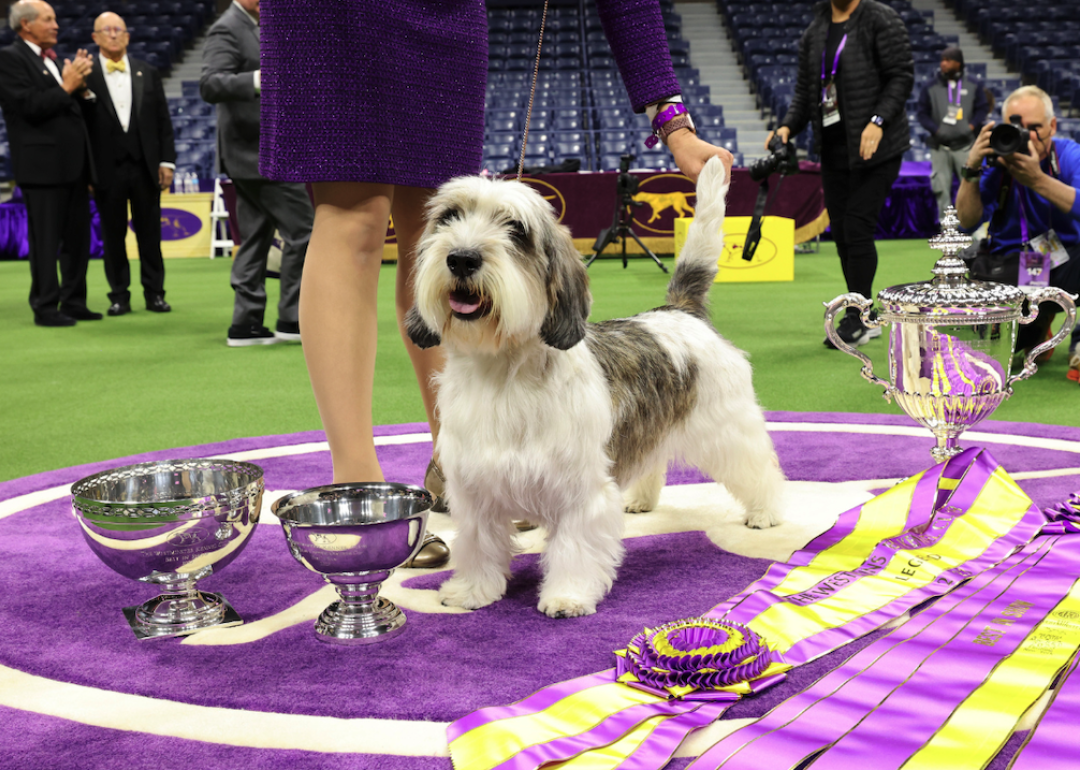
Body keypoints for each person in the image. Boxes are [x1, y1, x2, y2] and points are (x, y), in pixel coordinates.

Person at [257, 0, 733, 568]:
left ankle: (459, 461)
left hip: (442, 18)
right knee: (355, 217)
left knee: (436, 222)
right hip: (333, 17)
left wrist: (671, 120)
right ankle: (357, 485)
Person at [767, 0, 914, 349]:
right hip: (834, 150)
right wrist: (787, 126)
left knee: (857, 227)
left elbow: (901, 76)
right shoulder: (815, 29)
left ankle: (858, 317)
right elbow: (806, 91)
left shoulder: (880, 18)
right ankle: (864, 313)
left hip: (877, 148)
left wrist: (878, 121)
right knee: (844, 236)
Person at [200, 0, 312, 347]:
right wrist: (258, 79)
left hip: (257, 152)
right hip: (256, 153)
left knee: (256, 236)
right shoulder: (228, 26)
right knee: (304, 230)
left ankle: (246, 322)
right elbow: (210, 84)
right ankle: (292, 318)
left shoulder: (257, 24)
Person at [955, 85, 1080, 373]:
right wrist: (971, 168)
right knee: (1002, 360)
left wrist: (1038, 180)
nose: (1025, 136)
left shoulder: (1068, 155)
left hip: (1062, 262)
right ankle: (1037, 331)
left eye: (1035, 127)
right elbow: (966, 220)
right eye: (1015, 126)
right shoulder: (997, 163)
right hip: (1008, 269)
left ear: (1052, 126)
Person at [0, 0, 99, 327]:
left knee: (77, 239)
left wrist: (81, 91)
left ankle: (74, 301)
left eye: (55, 19)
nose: (56, 25)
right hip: (41, 168)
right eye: (48, 19)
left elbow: (67, 109)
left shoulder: (54, 59)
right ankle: (45, 306)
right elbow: (28, 107)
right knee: (45, 242)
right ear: (25, 25)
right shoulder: (9, 58)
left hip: (73, 165)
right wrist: (67, 86)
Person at [83, 12, 176, 317]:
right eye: (106, 30)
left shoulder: (146, 71)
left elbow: (163, 120)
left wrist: (167, 161)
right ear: (95, 37)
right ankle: (119, 296)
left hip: (145, 167)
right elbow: (79, 127)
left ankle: (155, 293)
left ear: (128, 36)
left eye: (118, 29)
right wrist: (86, 170)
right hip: (105, 170)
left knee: (151, 234)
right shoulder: (84, 74)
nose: (113, 34)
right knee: (113, 236)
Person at [916, 46, 989, 219]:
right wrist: (936, 130)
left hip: (966, 146)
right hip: (940, 147)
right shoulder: (930, 86)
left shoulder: (973, 84)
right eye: (942, 60)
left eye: (948, 60)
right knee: (941, 188)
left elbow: (982, 108)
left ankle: (975, 228)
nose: (943, 63)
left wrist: (970, 126)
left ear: (959, 63)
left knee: (973, 185)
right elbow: (921, 113)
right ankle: (947, 229)